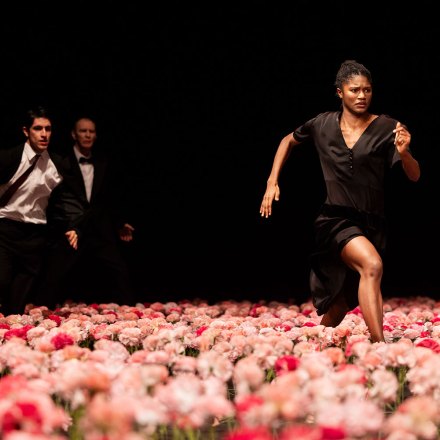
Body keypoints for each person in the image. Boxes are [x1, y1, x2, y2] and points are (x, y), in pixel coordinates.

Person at [259, 60, 420, 343]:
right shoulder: (321, 124)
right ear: (340, 92)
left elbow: (414, 175)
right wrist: (272, 181)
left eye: (367, 90)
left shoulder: (388, 127)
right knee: (372, 265)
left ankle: (315, 347)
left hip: (372, 224)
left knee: (340, 306)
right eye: (354, 90)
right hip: (335, 219)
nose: (362, 96)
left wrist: (405, 153)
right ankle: (379, 346)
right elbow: (287, 141)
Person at [34, 114, 136, 309]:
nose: (88, 135)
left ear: (95, 135)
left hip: (97, 227)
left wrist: (120, 222)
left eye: (91, 131)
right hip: (71, 228)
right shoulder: (61, 161)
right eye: (83, 131)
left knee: (120, 271)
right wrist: (64, 225)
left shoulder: (103, 162)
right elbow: (54, 199)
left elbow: (107, 198)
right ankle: (39, 312)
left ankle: (133, 314)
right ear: (74, 134)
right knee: (53, 274)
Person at [0, 106, 63, 316]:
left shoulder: (57, 165)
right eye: (38, 128)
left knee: (18, 299)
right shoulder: (8, 158)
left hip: (35, 234)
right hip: (5, 227)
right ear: (26, 131)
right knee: (2, 281)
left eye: (48, 129)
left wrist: (72, 227)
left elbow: (64, 201)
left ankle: (11, 330)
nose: (44, 134)